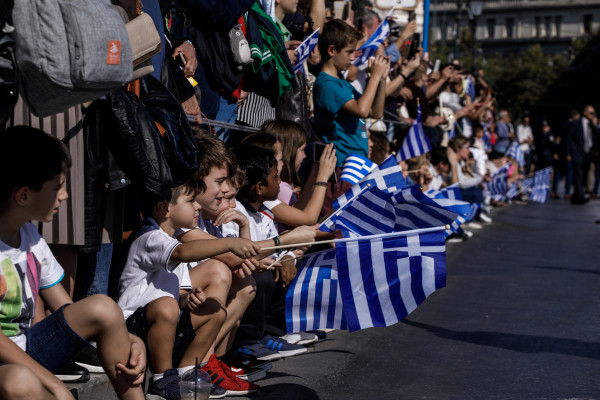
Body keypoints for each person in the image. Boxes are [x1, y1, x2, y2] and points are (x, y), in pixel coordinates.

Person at [0, 126, 146, 400]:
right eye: (57, 187)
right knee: (21, 382)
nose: (65, 195)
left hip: (26, 351)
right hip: (8, 366)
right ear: (23, 195)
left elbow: (68, 310)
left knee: (104, 306)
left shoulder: (30, 236)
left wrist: (130, 340)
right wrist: (54, 386)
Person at [117, 181, 263, 399]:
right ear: (165, 208)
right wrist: (228, 244)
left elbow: (180, 291)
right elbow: (183, 253)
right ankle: (162, 380)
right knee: (166, 306)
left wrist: (188, 300)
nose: (197, 207)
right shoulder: (150, 237)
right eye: (190, 201)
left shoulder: (170, 240)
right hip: (132, 329)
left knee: (215, 310)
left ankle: (188, 372)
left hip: (165, 321)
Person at [221, 146, 317, 359]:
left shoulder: (264, 214)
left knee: (290, 265)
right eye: (276, 178)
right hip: (240, 277)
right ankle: (248, 341)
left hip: (261, 271)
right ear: (259, 187)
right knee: (261, 276)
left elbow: (277, 251)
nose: (279, 182)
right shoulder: (234, 213)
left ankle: (271, 332)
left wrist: (288, 258)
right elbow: (240, 255)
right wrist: (284, 246)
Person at [313, 18, 390, 168]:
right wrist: (374, 76)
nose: (354, 57)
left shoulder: (341, 83)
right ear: (331, 50)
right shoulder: (326, 84)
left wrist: (381, 80)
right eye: (349, 52)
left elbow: (375, 112)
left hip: (357, 160)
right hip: (341, 162)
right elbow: (361, 110)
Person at [567, 105, 598, 204]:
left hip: (588, 153)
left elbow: (597, 136)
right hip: (578, 152)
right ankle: (580, 196)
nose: (593, 115)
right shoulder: (576, 123)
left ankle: (576, 197)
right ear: (584, 113)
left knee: (584, 175)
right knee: (579, 174)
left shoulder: (591, 124)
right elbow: (569, 138)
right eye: (591, 113)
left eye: (594, 113)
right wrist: (569, 153)